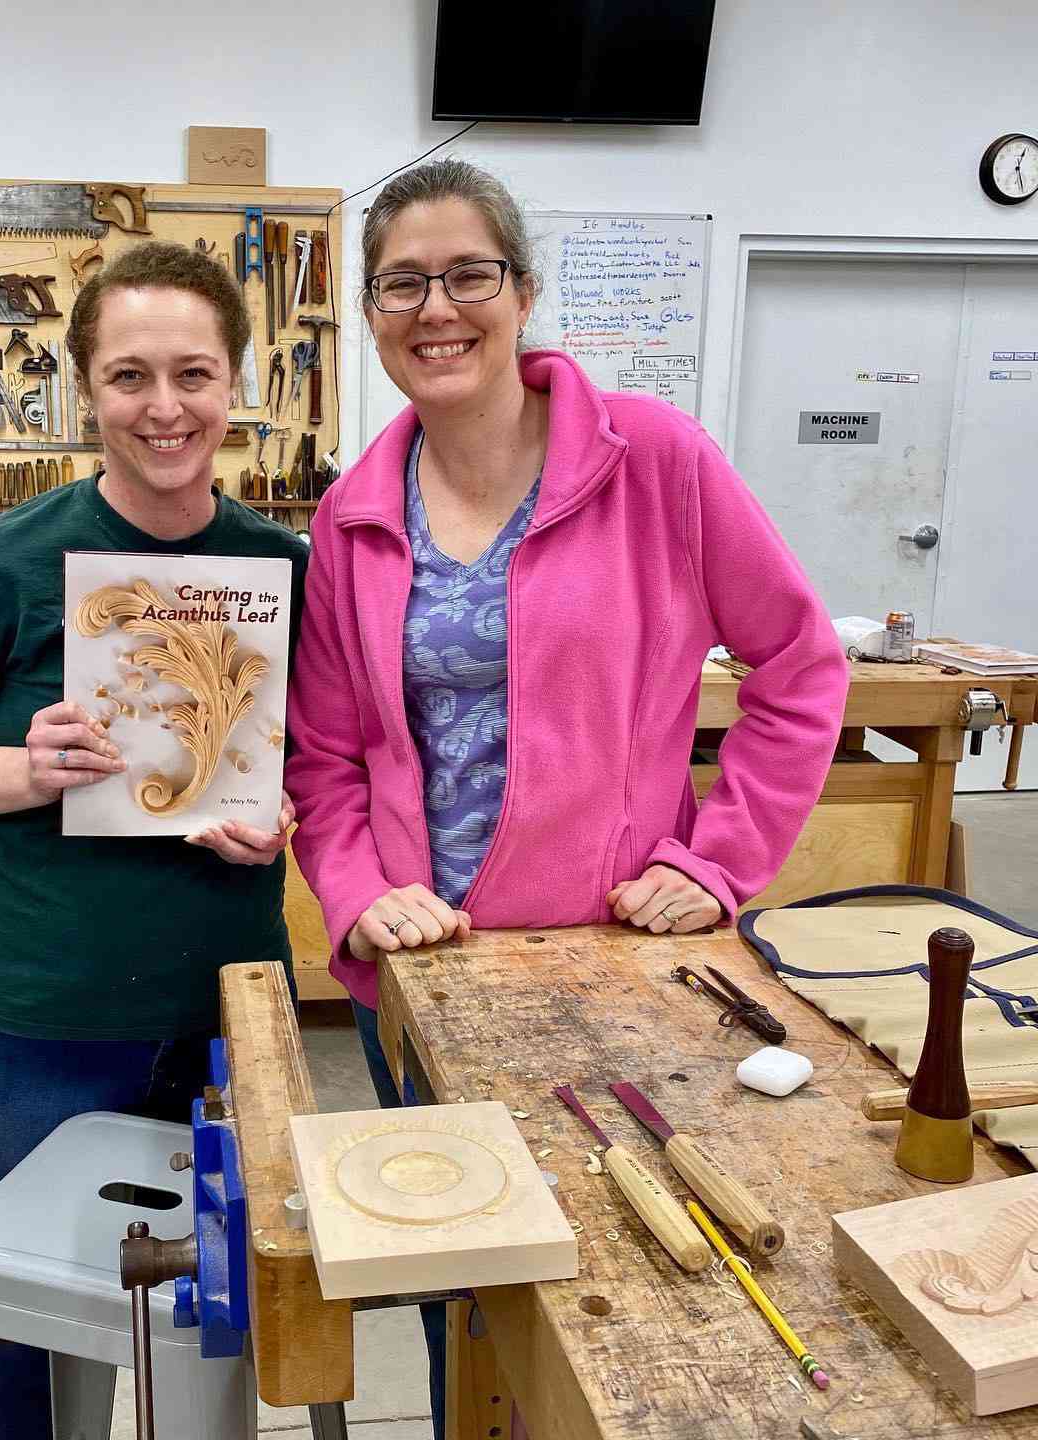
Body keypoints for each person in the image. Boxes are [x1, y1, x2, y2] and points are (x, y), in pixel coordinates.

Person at [285, 159, 849, 1436]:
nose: (439, 308)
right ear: (371, 316)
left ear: (523, 292)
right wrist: (363, 893)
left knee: (638, 1282)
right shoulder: (355, 514)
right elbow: (321, 754)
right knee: (461, 1289)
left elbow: (802, 664)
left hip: (613, 963)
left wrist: (716, 860)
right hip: (429, 972)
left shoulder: (654, 458)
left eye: (468, 274)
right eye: (403, 284)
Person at [0, 242, 308, 1440]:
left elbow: (317, 760)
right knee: (40, 1332)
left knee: (214, 1319)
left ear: (238, 382)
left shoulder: (286, 568)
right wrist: (26, 769)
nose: (163, 408)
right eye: (128, 376)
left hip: (229, 1008)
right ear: (83, 389)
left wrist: (284, 819)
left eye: (192, 373)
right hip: (41, 1022)